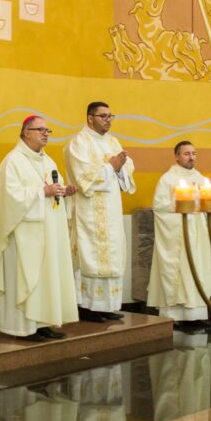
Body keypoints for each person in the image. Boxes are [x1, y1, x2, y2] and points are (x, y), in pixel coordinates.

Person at [0, 116, 78, 341]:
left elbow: (52, 192)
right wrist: (42, 192)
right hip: (23, 235)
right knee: (25, 279)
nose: (45, 134)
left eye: (47, 130)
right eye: (40, 130)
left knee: (46, 279)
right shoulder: (13, 161)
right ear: (26, 132)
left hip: (47, 233)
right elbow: (11, 198)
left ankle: (43, 323)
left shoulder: (48, 162)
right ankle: (22, 328)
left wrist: (62, 192)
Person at [64, 102, 135, 322]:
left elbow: (127, 167)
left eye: (110, 116)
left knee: (111, 255)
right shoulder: (78, 143)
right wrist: (111, 167)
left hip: (111, 210)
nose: (108, 120)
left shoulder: (113, 142)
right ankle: (85, 306)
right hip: (88, 212)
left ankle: (106, 306)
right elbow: (83, 177)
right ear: (89, 118)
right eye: (103, 116)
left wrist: (119, 168)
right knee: (90, 255)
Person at [147, 141, 211, 325]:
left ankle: (197, 314)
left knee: (197, 269)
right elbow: (159, 206)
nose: (191, 157)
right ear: (176, 156)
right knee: (178, 271)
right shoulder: (167, 179)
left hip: (197, 233)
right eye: (186, 154)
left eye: (194, 153)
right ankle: (174, 314)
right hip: (177, 233)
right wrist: (182, 208)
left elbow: (208, 204)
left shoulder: (201, 179)